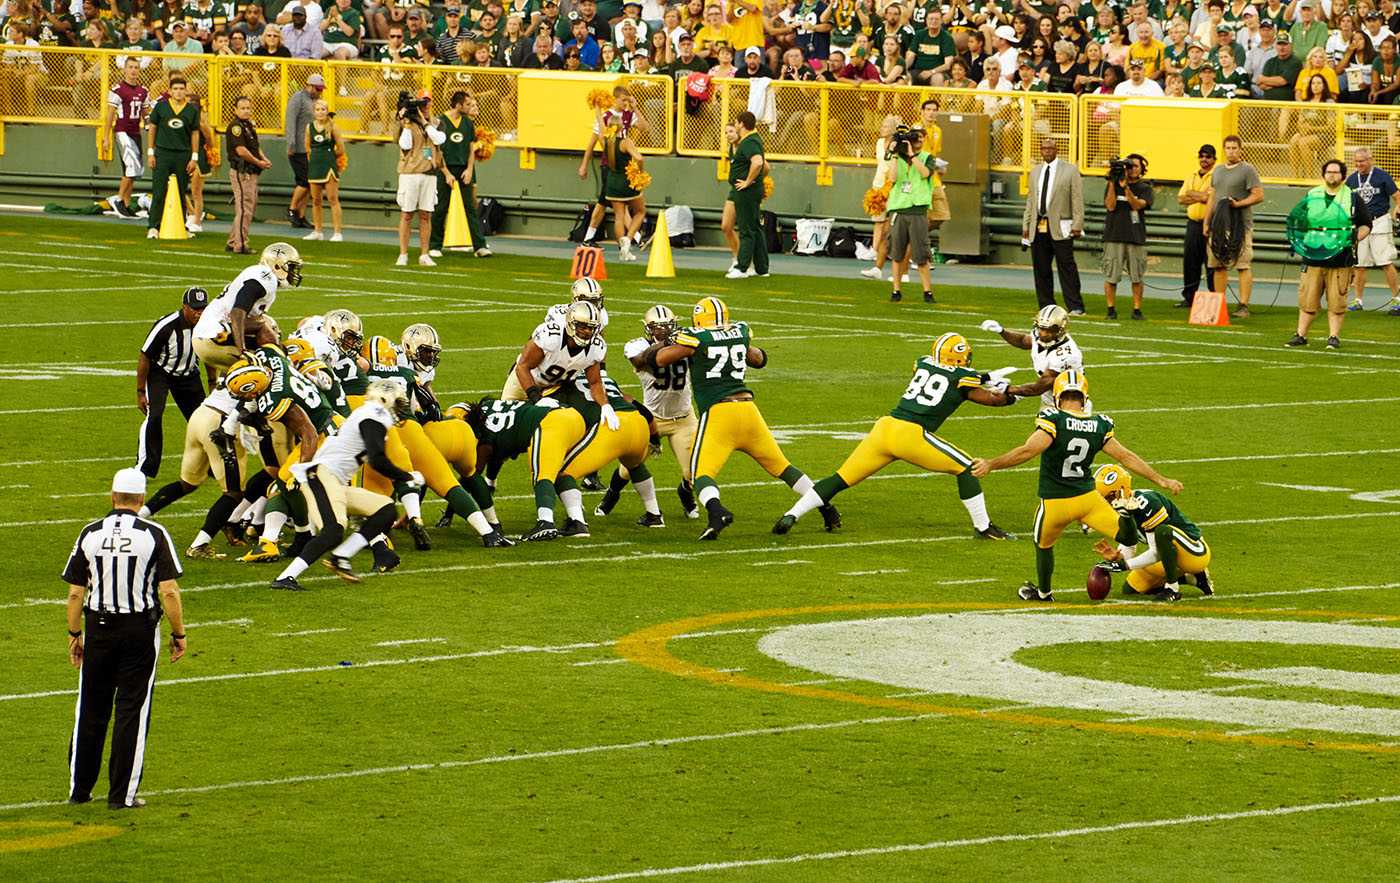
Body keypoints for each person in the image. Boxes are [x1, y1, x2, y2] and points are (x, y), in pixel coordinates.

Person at [971, 369, 1184, 603]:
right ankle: (1126, 517)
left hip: (1055, 503)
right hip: (1088, 501)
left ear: (1057, 396)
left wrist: (991, 464)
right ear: (1084, 398)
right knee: (1128, 535)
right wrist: (1162, 479)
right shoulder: (1099, 424)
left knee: (1043, 545)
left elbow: (1029, 451)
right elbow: (1126, 457)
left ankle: (1043, 593)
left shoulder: (1053, 418)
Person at [773, 333, 1015, 539]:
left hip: (884, 428)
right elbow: (979, 389)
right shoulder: (964, 376)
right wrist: (1004, 388)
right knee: (966, 467)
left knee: (840, 478)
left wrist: (1000, 391)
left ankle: (791, 515)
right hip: (910, 435)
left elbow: (972, 388)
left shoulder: (922, 363)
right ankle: (984, 528)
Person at [640, 296, 841, 540]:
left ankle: (717, 513)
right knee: (783, 467)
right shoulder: (739, 331)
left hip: (720, 413)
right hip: (748, 411)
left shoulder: (695, 338)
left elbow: (657, 360)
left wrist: (666, 343)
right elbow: (759, 359)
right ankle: (826, 508)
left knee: (700, 474)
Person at [64, 468, 187, 810]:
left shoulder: (89, 533)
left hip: (98, 628)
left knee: (90, 707)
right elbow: (170, 592)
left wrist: (75, 634)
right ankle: (121, 796)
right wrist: (179, 633)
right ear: (143, 499)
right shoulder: (154, 533)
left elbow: (76, 594)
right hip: (139, 631)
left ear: (112, 496)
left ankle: (80, 789)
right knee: (132, 709)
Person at [271, 382, 425, 590]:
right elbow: (378, 460)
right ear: (383, 400)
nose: (399, 408)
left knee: (386, 510)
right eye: (396, 402)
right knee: (333, 531)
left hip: (334, 480)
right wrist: (407, 477)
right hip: (321, 475)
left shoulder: (368, 414)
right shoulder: (375, 414)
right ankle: (285, 577)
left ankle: (341, 556)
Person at [1091, 465, 1214, 601]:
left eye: (1106, 498)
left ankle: (1173, 589)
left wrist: (1126, 565)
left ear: (1119, 492)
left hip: (1194, 552)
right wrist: (1118, 557)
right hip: (1170, 556)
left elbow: (1157, 551)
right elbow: (1130, 544)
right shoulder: (1123, 509)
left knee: (1162, 532)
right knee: (1131, 589)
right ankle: (1196, 579)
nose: (1104, 503)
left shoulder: (1146, 502)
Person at [1287, 159, 1372, 350]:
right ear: (1323, 174)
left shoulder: (1352, 197)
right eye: (1328, 172)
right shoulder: (1312, 194)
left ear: (1342, 176)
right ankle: (1301, 335)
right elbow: (1299, 220)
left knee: (1337, 300)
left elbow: (1366, 224)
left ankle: (1333, 337)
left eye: (1336, 172)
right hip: (1313, 253)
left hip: (1340, 258)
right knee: (1307, 299)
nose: (1332, 175)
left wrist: (1353, 239)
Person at [135, 286, 211, 478]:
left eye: (203, 308)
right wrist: (140, 392)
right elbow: (145, 356)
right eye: (195, 308)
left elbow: (209, 353)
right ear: (185, 307)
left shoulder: (209, 325)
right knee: (155, 414)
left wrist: (212, 382)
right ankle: (145, 467)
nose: (199, 313)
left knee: (203, 419)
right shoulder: (167, 325)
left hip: (189, 375)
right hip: (161, 373)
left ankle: (210, 465)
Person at [191, 243, 303, 371]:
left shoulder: (256, 272)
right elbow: (237, 312)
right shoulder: (266, 277)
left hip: (203, 340)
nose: (293, 272)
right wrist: (242, 349)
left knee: (268, 324)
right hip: (215, 337)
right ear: (277, 266)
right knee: (267, 333)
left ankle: (222, 388)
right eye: (291, 267)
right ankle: (281, 366)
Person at [1021, 138, 1085, 314]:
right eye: (1044, 148)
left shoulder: (1070, 170)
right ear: (1040, 151)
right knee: (1041, 267)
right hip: (1039, 224)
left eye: (1050, 148)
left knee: (1067, 266)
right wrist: (1026, 224)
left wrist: (1077, 224)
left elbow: (1077, 198)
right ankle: (1046, 305)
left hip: (1061, 224)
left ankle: (1075, 305)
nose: (1047, 151)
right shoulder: (1035, 172)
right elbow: (1031, 200)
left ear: (1057, 150)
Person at [979, 304, 1085, 408]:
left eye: (1050, 331)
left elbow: (1037, 389)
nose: (1044, 334)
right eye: (1042, 328)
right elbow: (1023, 341)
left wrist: (1006, 388)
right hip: (1050, 401)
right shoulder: (1038, 335)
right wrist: (1002, 331)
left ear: (1060, 330)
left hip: (1071, 406)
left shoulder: (1067, 356)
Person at [1205, 134, 1264, 318]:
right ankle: (1218, 303)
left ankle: (1243, 304)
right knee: (1218, 265)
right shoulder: (1217, 170)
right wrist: (1207, 222)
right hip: (1219, 225)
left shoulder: (1248, 170)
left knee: (1242, 264)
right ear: (1223, 150)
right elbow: (1212, 197)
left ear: (1240, 149)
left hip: (1240, 225)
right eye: (1228, 148)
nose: (1231, 152)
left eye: (1234, 148)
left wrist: (1238, 204)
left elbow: (1258, 195)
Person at [429, 90, 492, 259]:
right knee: (440, 207)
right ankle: (434, 245)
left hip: (463, 169)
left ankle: (479, 246)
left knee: (470, 208)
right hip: (445, 169)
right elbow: (437, 150)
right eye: (467, 104)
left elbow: (470, 148)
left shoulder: (467, 123)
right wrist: (446, 172)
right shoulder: (440, 122)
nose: (470, 107)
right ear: (458, 105)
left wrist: (469, 169)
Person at [143, 72, 200, 240]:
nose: (179, 92)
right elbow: (152, 128)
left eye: (182, 89)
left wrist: (194, 157)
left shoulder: (191, 110)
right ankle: (153, 226)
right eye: (175, 89)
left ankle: (182, 225)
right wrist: (150, 152)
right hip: (163, 153)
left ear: (185, 90)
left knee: (182, 192)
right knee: (158, 190)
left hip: (182, 154)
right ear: (170, 90)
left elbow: (195, 134)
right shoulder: (161, 107)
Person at [394, 89, 447, 266]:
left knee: (425, 214)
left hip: (429, 172)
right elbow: (404, 144)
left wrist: (424, 123)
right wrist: (408, 123)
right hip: (410, 172)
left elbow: (439, 140)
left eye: (427, 101)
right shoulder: (407, 122)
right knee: (407, 213)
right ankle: (403, 253)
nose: (424, 105)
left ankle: (424, 254)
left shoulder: (437, 123)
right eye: (421, 102)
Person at [884, 123, 935, 303]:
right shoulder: (897, 157)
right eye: (915, 136)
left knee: (922, 254)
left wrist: (912, 155)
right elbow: (892, 178)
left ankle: (927, 291)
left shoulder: (928, 157)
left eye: (921, 136)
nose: (918, 139)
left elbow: (924, 173)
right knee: (897, 253)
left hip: (918, 210)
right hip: (899, 208)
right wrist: (896, 154)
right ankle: (896, 290)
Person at [1348, 146, 1400, 310]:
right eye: (1356, 161)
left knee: (1385, 262)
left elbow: (1397, 196)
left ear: (1370, 160)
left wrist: (1398, 207)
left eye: (1362, 161)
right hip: (1361, 224)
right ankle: (1358, 300)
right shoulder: (1351, 179)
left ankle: (1396, 299)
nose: (1359, 165)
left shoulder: (1382, 175)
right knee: (1359, 264)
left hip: (1380, 221)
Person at [1102, 153, 1153, 320]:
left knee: (1137, 276)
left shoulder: (1145, 188)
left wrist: (1125, 188)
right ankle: (1111, 309)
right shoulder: (1113, 185)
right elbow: (1110, 206)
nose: (1132, 170)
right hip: (1114, 234)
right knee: (1111, 276)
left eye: (1136, 166)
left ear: (1142, 169)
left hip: (1135, 235)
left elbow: (1137, 205)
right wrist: (1112, 181)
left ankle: (1137, 310)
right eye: (1129, 166)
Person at [101, 56, 148, 219]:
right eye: (131, 67)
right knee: (131, 167)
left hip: (136, 132)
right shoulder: (118, 89)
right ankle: (119, 200)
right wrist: (106, 136)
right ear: (125, 69)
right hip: (122, 131)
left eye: (136, 67)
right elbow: (110, 114)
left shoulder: (143, 91)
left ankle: (127, 205)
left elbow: (145, 114)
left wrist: (150, 128)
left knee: (133, 172)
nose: (134, 70)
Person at [225, 95, 272, 255]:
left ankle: (233, 241)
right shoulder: (236, 127)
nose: (246, 111)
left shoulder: (248, 125)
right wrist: (259, 163)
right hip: (242, 171)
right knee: (245, 209)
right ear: (235, 110)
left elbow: (254, 147)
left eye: (248, 108)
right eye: (242, 108)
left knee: (246, 207)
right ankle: (241, 245)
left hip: (251, 171)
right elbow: (241, 151)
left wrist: (263, 158)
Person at [725, 111, 769, 279]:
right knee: (755, 227)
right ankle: (762, 267)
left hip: (746, 191)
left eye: (736, 123)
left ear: (741, 124)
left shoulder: (749, 141)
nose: (735, 126)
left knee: (746, 229)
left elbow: (758, 162)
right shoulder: (750, 141)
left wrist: (748, 181)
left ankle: (742, 267)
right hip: (750, 190)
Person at [1176, 143, 1217, 309]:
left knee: (1211, 262)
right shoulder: (1191, 176)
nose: (1204, 160)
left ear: (1214, 159)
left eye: (1208, 157)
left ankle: (1214, 296)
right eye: (1202, 156)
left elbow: (1210, 198)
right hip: (1193, 224)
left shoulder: (1217, 175)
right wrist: (1200, 195)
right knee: (1190, 261)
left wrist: (1192, 194)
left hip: (1210, 225)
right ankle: (1189, 297)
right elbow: (1181, 198)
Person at [284, 73, 323, 229]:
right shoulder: (297, 98)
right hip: (298, 147)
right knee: (306, 180)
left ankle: (300, 215)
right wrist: (291, 144)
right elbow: (290, 121)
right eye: (318, 89)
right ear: (309, 86)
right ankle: (292, 209)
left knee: (310, 182)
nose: (320, 92)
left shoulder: (314, 101)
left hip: (309, 148)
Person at [303, 98, 345, 242]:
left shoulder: (333, 127)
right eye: (318, 110)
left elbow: (341, 149)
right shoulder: (309, 127)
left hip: (329, 166)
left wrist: (327, 155)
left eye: (323, 109)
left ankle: (337, 232)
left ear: (327, 112)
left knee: (333, 199)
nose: (320, 112)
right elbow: (307, 147)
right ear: (314, 112)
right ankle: (318, 231)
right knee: (316, 200)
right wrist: (316, 155)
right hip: (315, 166)